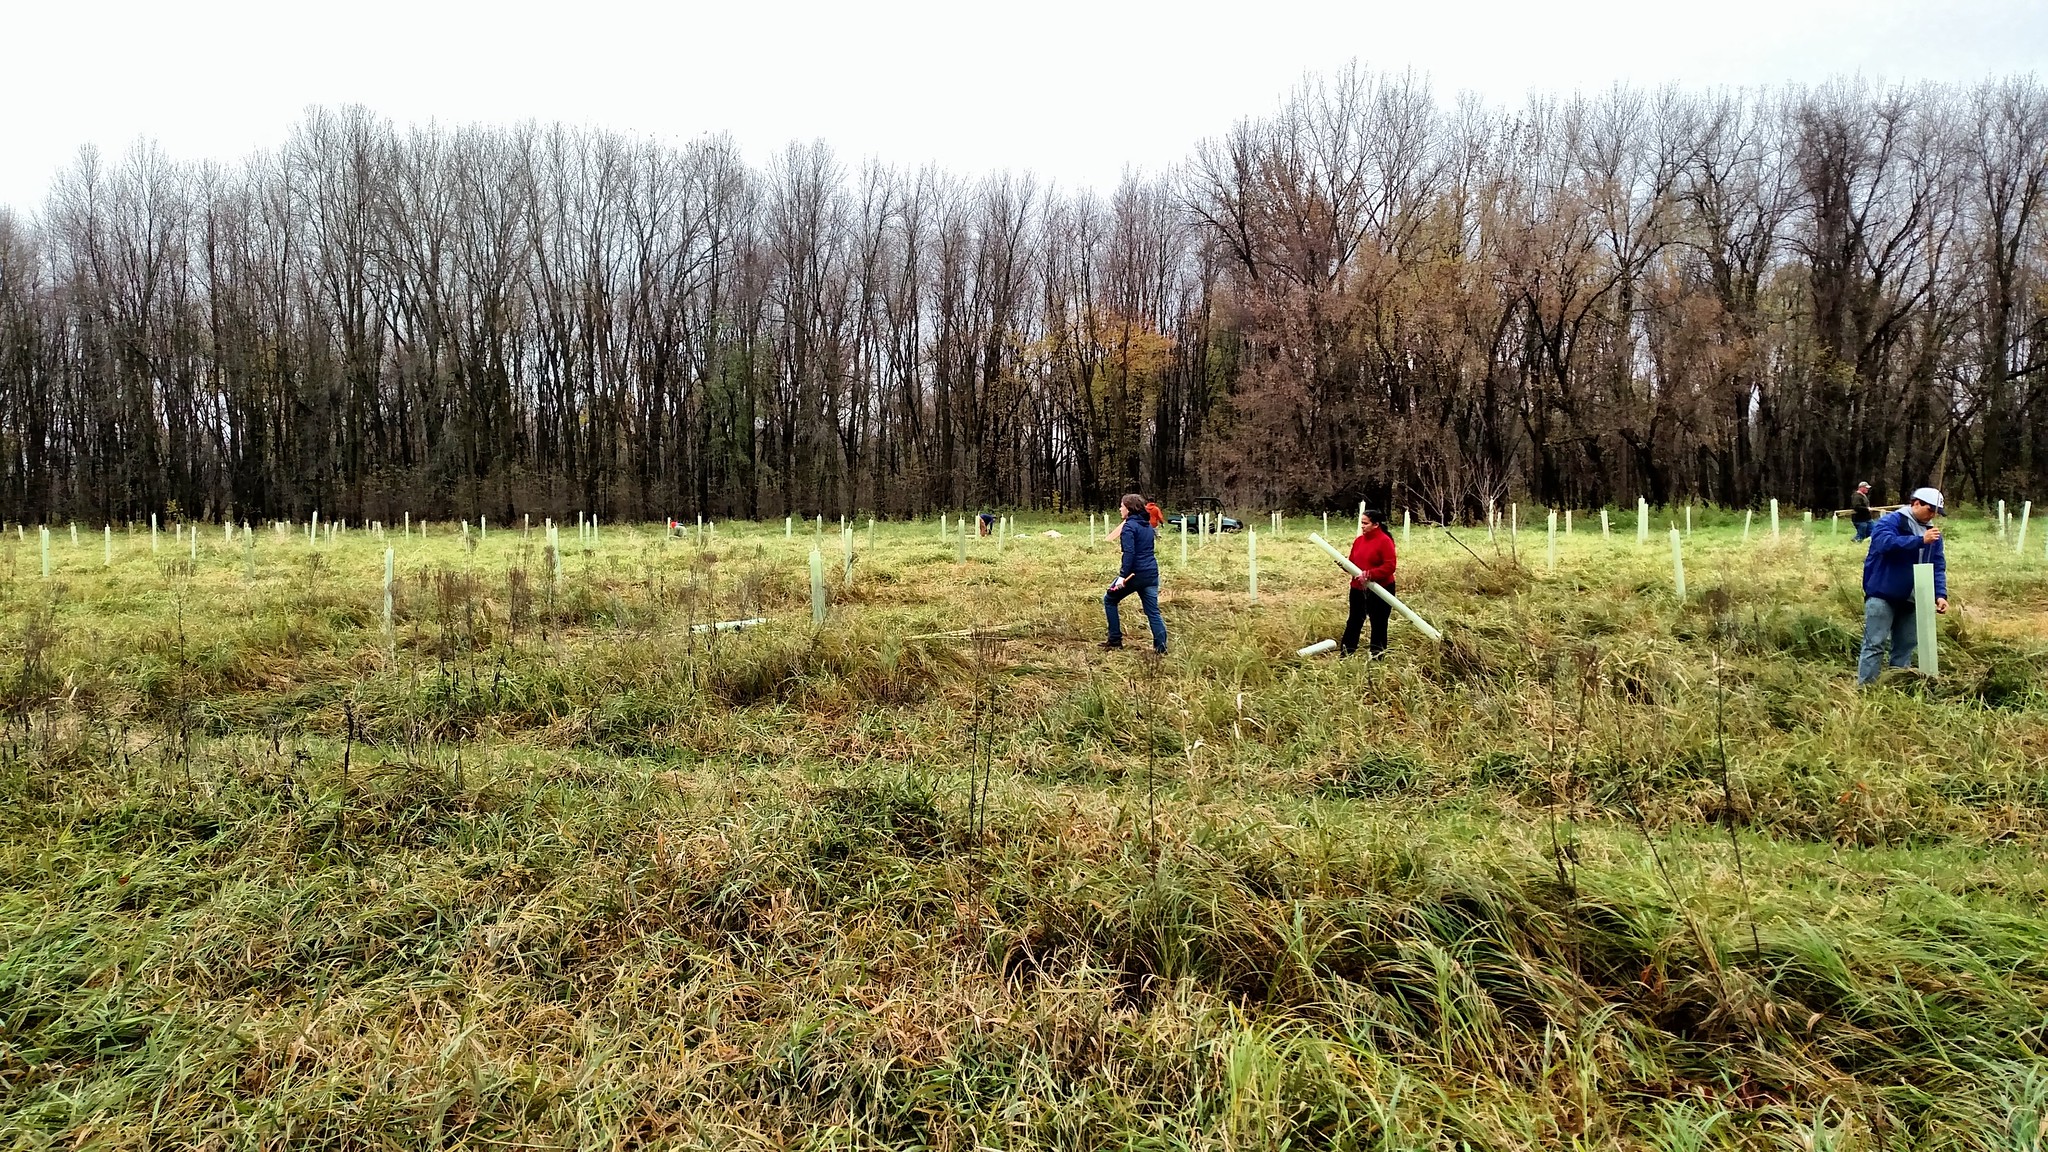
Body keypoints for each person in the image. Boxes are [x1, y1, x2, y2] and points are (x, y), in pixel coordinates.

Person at [1858, 487, 1948, 686]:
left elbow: (1937, 565)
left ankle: (1897, 686)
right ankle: (1866, 689)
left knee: (1906, 645)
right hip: (1883, 593)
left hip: (1913, 597)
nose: (1932, 515)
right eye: (1929, 509)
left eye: (1936, 512)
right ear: (1916, 503)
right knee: (1874, 644)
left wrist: (1940, 594)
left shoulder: (1933, 534)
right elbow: (1883, 543)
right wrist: (1918, 541)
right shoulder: (1890, 522)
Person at [1102, 493, 1167, 654]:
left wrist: (1122, 577)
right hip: (1151, 573)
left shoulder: (1129, 527)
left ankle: (1115, 639)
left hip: (1134, 575)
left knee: (1110, 599)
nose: (1120, 509)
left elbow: (1129, 553)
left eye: (1122, 506)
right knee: (1153, 611)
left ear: (1129, 509)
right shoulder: (1147, 525)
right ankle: (1161, 648)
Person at [1341, 509, 1398, 657]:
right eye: (1361, 523)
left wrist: (1371, 574)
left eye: (1365, 523)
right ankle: (1346, 653)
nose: (1362, 526)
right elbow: (1353, 562)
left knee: (1378, 623)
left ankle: (1377, 656)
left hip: (1380, 588)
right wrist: (1345, 566)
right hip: (1358, 588)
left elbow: (1390, 566)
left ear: (1376, 524)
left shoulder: (1385, 541)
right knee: (1354, 620)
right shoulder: (1359, 541)